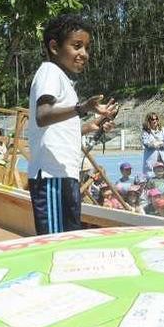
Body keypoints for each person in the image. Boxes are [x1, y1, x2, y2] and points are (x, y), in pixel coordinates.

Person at [27, 14, 117, 235]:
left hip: (63, 175)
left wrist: (91, 125)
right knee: (56, 244)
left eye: (86, 48)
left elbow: (56, 129)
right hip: (52, 177)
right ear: (55, 47)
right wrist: (82, 108)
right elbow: (42, 115)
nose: (84, 54)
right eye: (77, 46)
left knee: (67, 239)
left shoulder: (61, 80)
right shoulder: (50, 72)